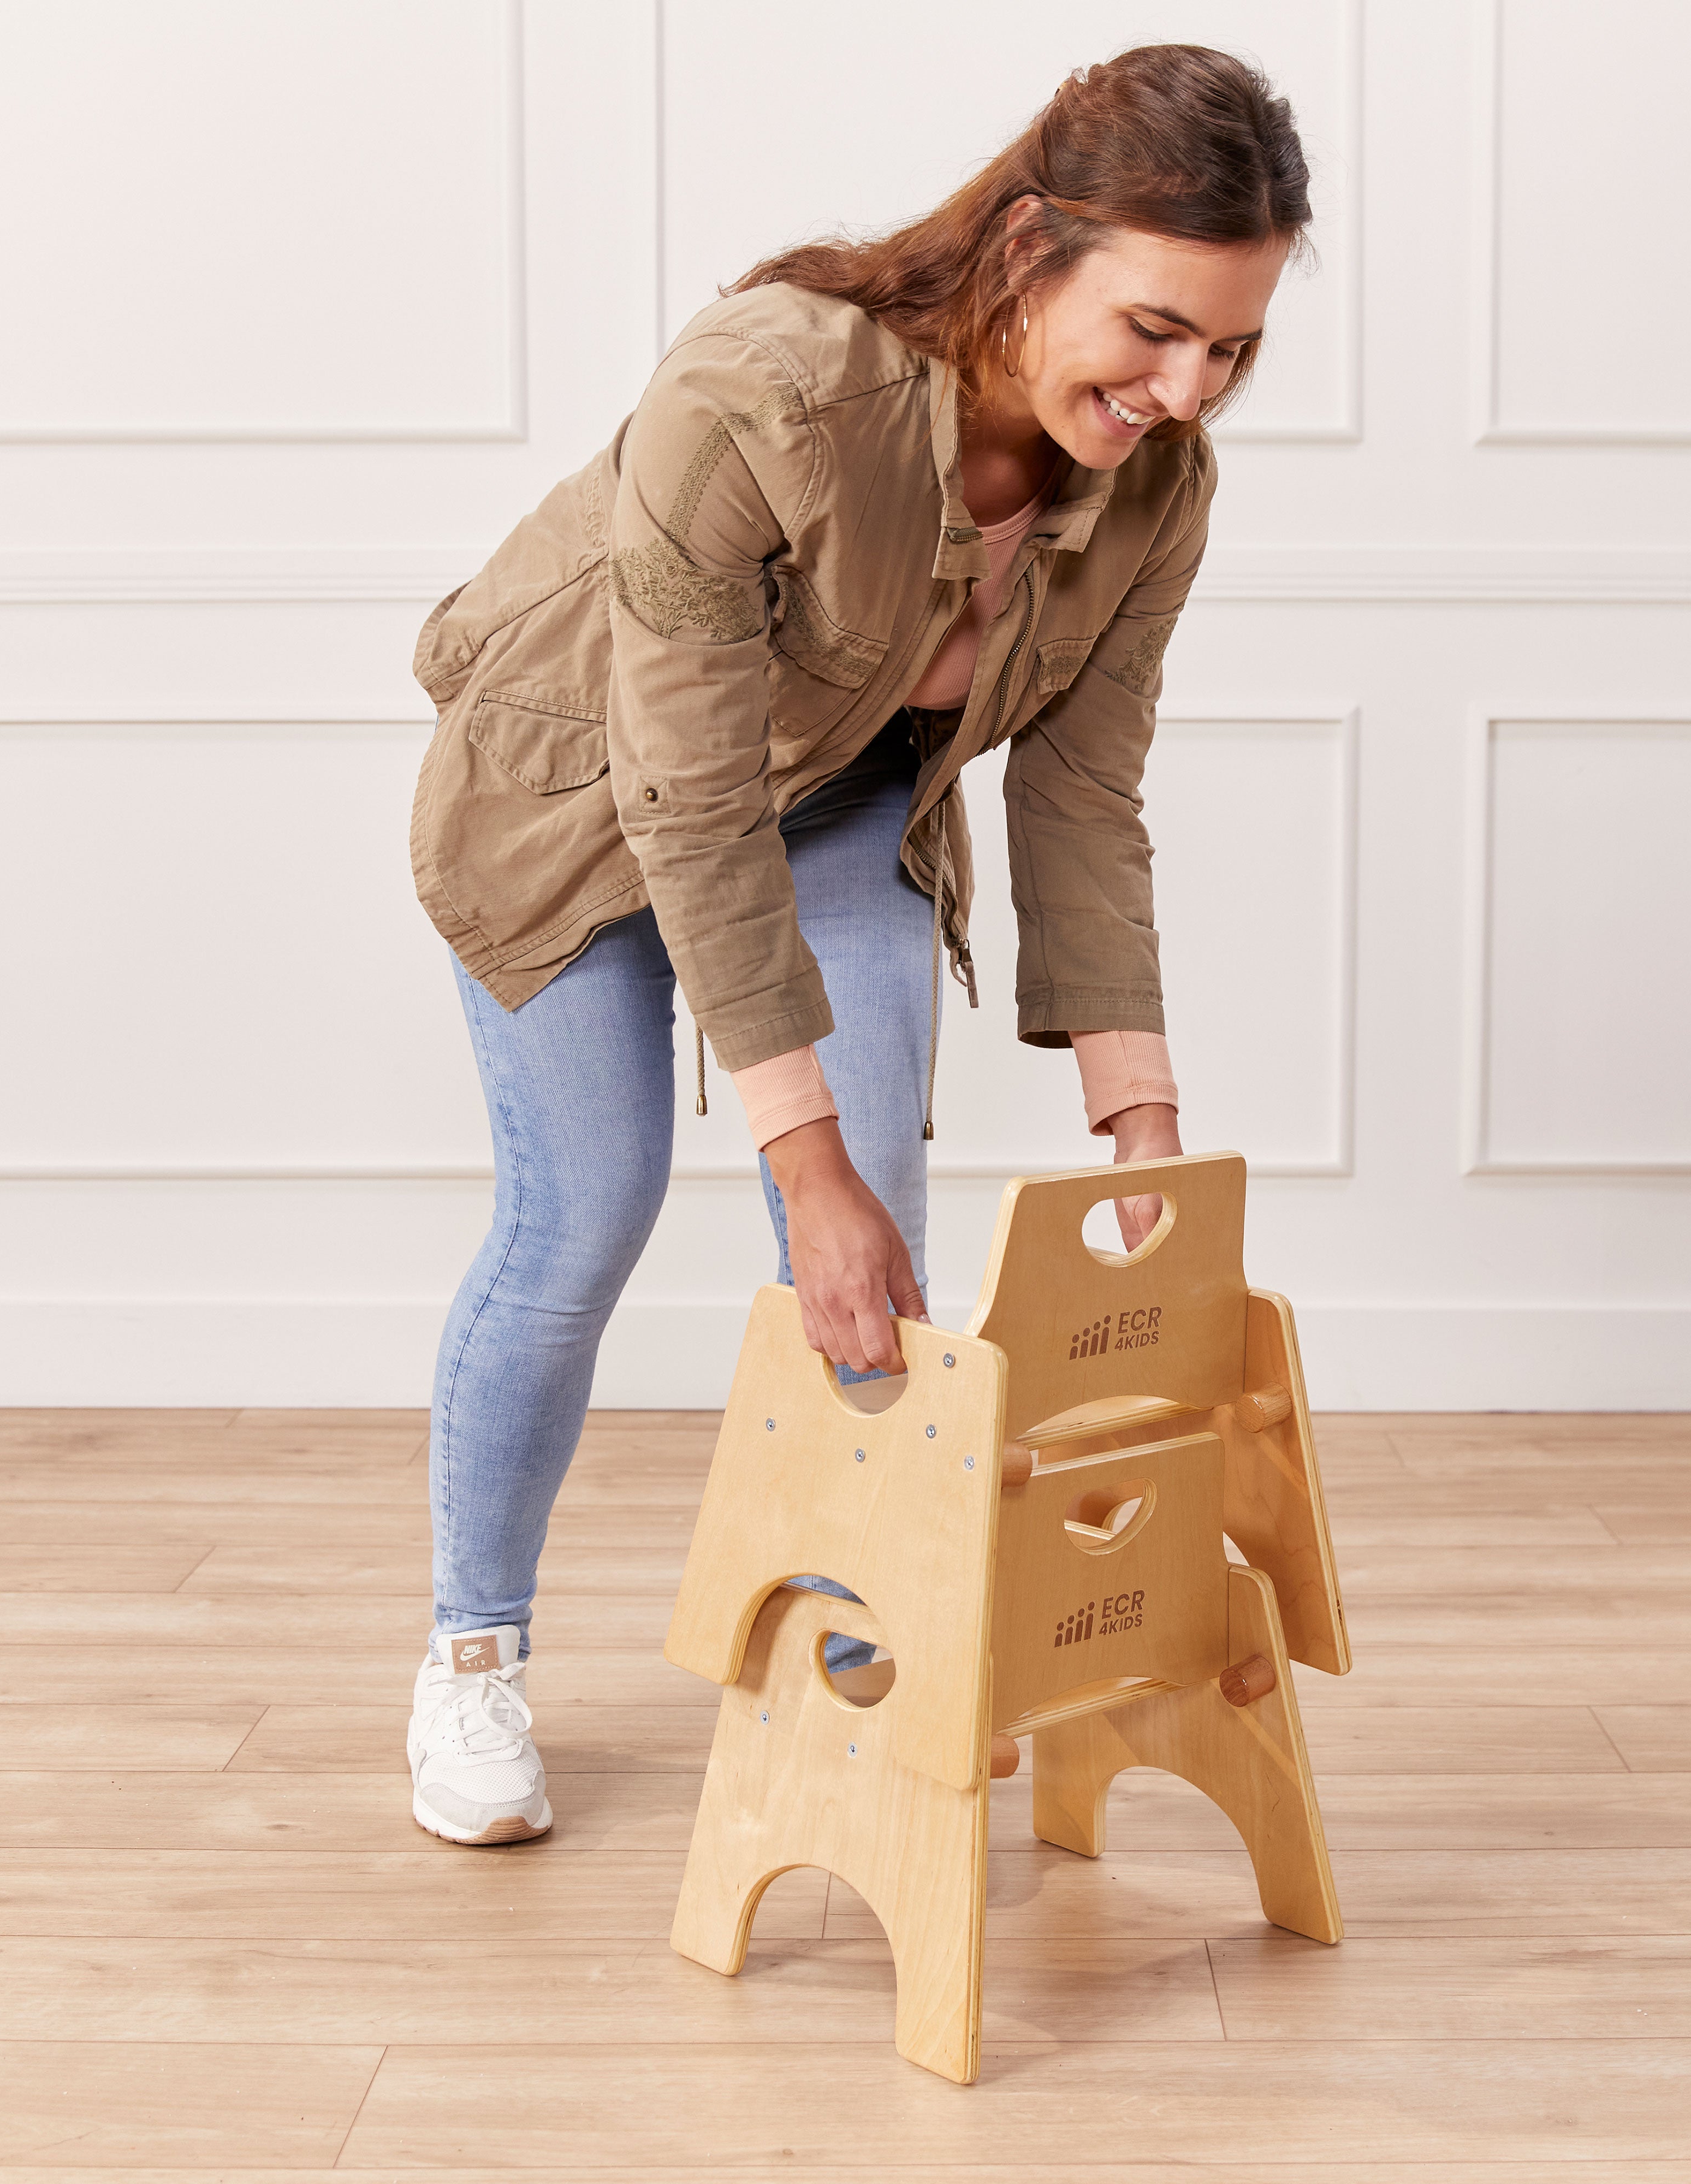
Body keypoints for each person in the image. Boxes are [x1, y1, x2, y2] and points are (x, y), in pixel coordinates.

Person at [401, 44, 1311, 1845]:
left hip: (833, 805)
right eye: (1154, 331)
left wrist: (1139, 1123)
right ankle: (473, 1656)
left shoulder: (1156, 486)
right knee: (582, 1222)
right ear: (1031, 247)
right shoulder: (760, 390)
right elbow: (682, 794)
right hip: (572, 804)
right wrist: (794, 1156)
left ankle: (859, 1645)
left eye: (1231, 349)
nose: (1187, 392)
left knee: (874, 1243)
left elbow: (1083, 792)